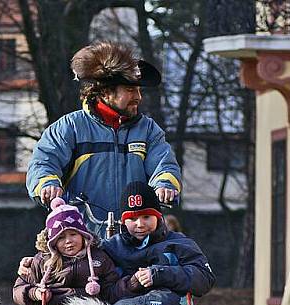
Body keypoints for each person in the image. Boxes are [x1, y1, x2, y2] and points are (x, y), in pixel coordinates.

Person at [26, 41, 182, 236]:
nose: (139, 97)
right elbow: (43, 163)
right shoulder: (69, 128)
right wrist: (47, 184)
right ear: (105, 92)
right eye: (130, 90)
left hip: (135, 238)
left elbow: (164, 165)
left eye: (139, 90)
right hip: (82, 239)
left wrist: (164, 185)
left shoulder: (149, 130)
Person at [13, 199, 120, 305]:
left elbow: (112, 287)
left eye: (73, 234)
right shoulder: (43, 261)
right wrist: (35, 293)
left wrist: (126, 286)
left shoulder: (99, 257)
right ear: (53, 243)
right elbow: (19, 289)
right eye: (61, 238)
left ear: (83, 234)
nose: (68, 241)